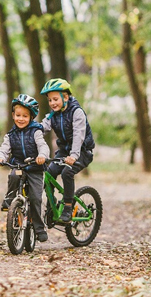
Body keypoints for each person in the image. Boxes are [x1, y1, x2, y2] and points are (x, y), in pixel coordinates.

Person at [0, 94, 49, 242]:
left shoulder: (36, 131)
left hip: (35, 168)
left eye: (25, 116)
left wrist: (42, 155)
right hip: (19, 166)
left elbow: (43, 146)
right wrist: (0, 158)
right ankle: (10, 199)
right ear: (13, 115)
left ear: (31, 117)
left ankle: (39, 228)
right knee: (13, 175)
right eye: (18, 115)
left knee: (36, 198)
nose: (21, 119)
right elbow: (4, 149)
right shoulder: (11, 135)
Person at [40, 78, 95, 223]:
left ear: (65, 97)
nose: (52, 103)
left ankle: (68, 207)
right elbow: (41, 128)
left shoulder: (76, 112)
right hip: (64, 152)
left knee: (67, 172)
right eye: (50, 100)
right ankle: (51, 206)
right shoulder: (53, 115)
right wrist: (29, 134)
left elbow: (78, 135)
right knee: (50, 172)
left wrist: (74, 155)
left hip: (82, 151)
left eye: (55, 99)